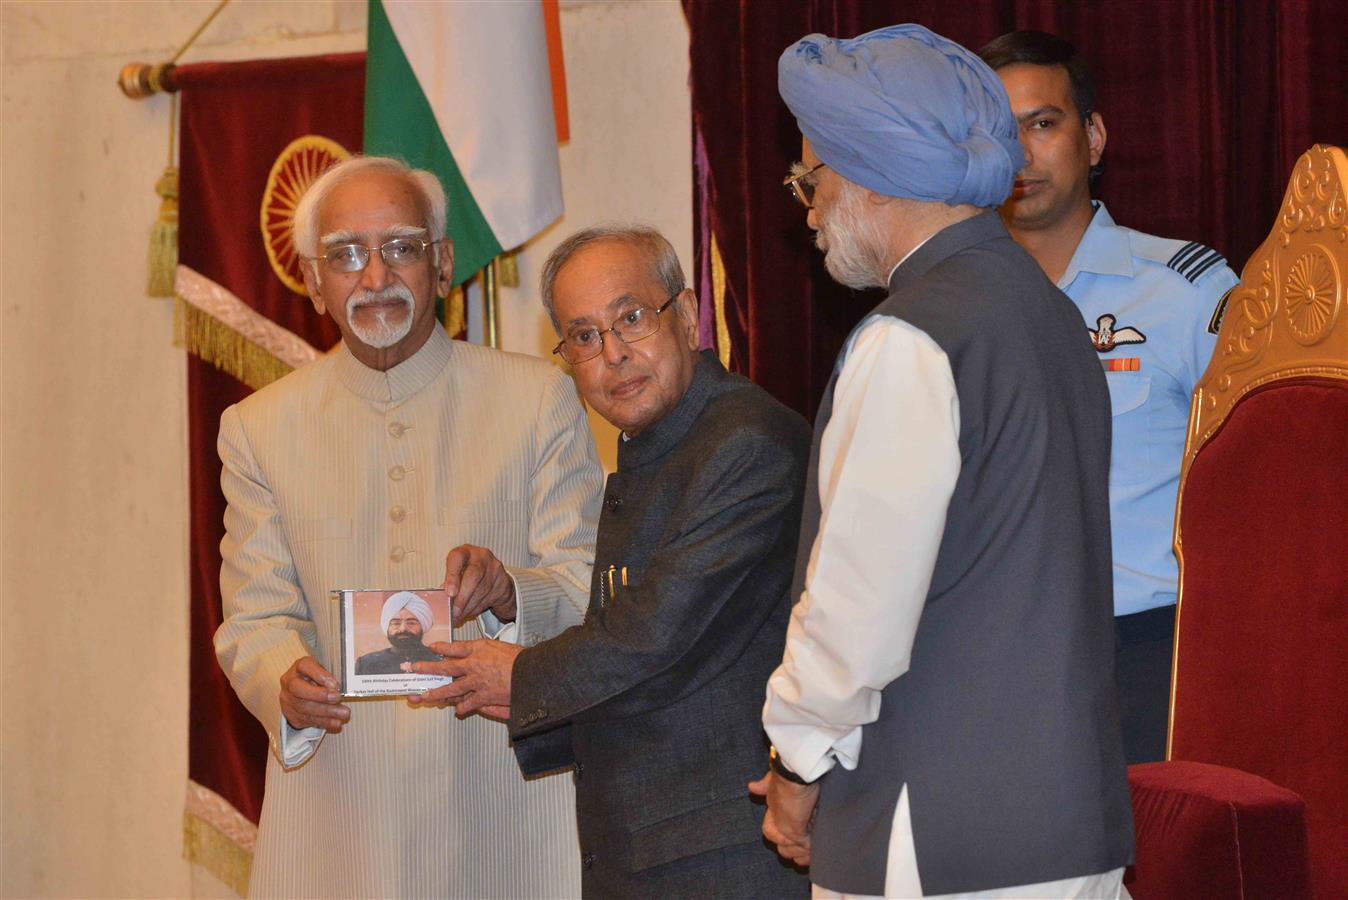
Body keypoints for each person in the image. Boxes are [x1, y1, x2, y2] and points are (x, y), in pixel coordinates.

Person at [757, 24, 1135, 898]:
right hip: (1063, 825)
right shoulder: (1046, 313)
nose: (808, 211)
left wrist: (796, 761)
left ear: (875, 177)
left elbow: (856, 611)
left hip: (939, 836)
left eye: (812, 181)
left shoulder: (910, 339)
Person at [213, 156, 604, 898]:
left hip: (498, 792)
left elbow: (591, 580)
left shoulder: (536, 399)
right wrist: (282, 679)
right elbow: (254, 618)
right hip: (338, 797)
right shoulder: (259, 428)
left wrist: (512, 590)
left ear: (443, 262)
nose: (374, 277)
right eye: (346, 255)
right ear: (311, 278)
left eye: (400, 247)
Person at [408, 226, 812, 898]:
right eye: (585, 337)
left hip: (727, 859)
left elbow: (657, 636)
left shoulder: (744, 441)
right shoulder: (657, 445)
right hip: (650, 854)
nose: (614, 354)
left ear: (685, 315)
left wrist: (522, 675)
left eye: (631, 318)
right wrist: (512, 604)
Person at [978, 30, 1241, 764]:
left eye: (1043, 123)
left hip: (1147, 654)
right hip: (999, 663)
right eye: (1001, 133)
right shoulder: (957, 312)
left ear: (1092, 137)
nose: (1022, 153)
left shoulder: (1185, 291)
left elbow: (1263, 484)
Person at [354, 591, 443, 675]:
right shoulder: (366, 663)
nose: (403, 629)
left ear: (423, 626)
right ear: (387, 626)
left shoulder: (439, 661)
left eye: (411, 623)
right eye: (396, 623)